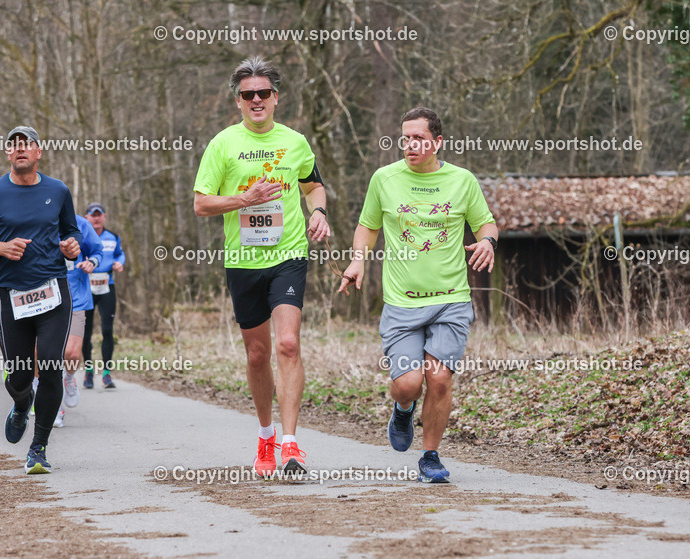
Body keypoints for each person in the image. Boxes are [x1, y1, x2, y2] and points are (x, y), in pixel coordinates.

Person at [339, 107, 497, 483]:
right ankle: (403, 408)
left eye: (419, 138)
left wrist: (488, 240)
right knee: (409, 383)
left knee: (439, 379)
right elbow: (367, 226)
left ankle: (430, 456)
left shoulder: (462, 181)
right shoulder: (385, 179)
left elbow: (485, 222)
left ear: (437, 142)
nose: (410, 145)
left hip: (451, 299)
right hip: (402, 301)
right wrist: (358, 261)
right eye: (405, 137)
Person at [194, 56, 330, 477]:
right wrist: (244, 200)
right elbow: (201, 204)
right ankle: (266, 436)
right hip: (243, 260)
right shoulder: (223, 144)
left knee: (288, 344)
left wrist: (320, 212)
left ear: (276, 98)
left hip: (288, 256)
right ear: (238, 101)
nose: (256, 100)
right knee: (257, 354)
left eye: (263, 93)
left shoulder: (295, 141)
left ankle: (291, 445)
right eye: (248, 94)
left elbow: (313, 184)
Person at [0, 125, 81, 475]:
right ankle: (20, 402)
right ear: (7, 154)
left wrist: (72, 246)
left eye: (26, 144)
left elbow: (71, 231)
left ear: (39, 152)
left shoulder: (58, 190)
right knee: (18, 376)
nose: (19, 149)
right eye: (13, 145)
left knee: (50, 365)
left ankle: (39, 448)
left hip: (52, 291)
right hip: (10, 296)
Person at [55, 214, 103, 427]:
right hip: (45, 300)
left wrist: (91, 262)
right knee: (48, 357)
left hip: (77, 299)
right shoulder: (34, 220)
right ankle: (54, 410)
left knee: (72, 353)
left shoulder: (81, 224)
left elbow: (97, 251)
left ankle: (69, 377)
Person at [81, 202, 124, 390]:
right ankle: (88, 371)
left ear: (104, 217)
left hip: (107, 285)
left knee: (107, 330)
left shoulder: (113, 237)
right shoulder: (81, 237)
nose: (96, 218)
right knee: (86, 332)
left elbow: (120, 254)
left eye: (99, 215)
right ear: (87, 218)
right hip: (86, 287)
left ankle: (107, 373)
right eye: (93, 215)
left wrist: (118, 263)